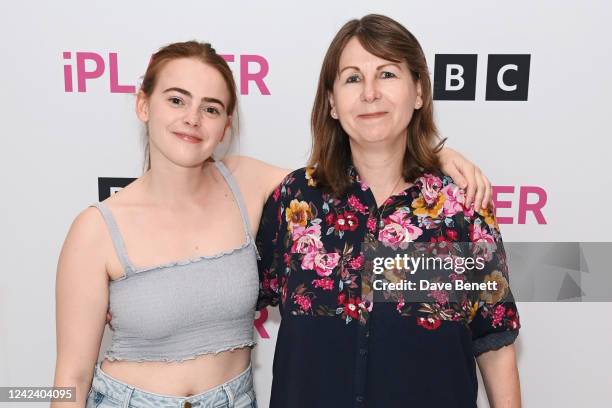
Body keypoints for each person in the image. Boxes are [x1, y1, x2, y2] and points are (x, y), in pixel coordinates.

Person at [53, 41, 491, 407]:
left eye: (211, 108)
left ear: (226, 125)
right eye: (175, 99)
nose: (191, 118)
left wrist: (435, 159)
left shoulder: (248, 182)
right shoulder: (96, 229)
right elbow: (71, 374)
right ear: (143, 104)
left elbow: (357, 175)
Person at [256, 14, 521, 408]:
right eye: (352, 78)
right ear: (331, 103)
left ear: (418, 92)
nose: (369, 93)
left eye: (387, 74)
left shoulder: (462, 207)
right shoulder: (295, 201)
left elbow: (494, 342)